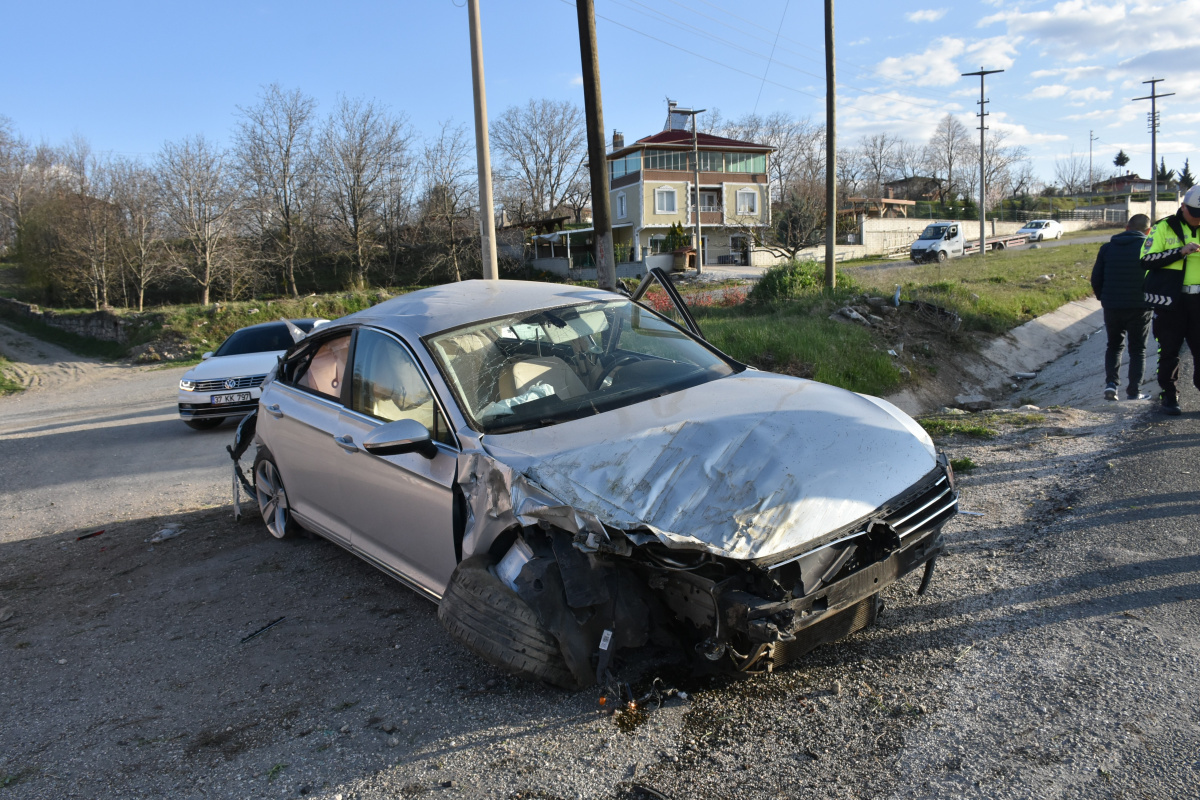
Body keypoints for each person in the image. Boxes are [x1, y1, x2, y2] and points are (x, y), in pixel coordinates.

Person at [1141, 185, 1200, 415]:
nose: (1197, 220)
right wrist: (1180, 252)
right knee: (1169, 350)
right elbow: (1146, 260)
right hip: (1171, 301)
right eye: (1194, 214)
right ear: (1183, 207)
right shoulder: (1164, 227)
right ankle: (1169, 394)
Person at [1091, 214, 1152, 401]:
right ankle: (1134, 391)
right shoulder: (1149, 248)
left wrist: (1104, 298)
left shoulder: (1107, 248)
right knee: (1138, 350)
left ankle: (1111, 385)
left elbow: (1096, 278)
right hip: (1140, 306)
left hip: (1112, 306)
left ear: (1127, 227)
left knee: (1114, 346)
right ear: (1148, 231)